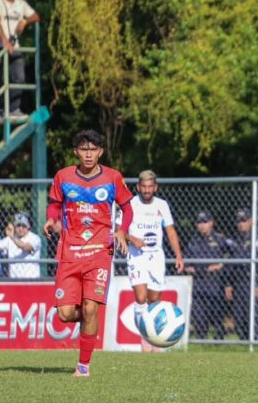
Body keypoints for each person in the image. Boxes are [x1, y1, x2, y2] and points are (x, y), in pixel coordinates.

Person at [43, 129, 133, 377]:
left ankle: (83, 366)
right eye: (84, 149)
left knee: (91, 309)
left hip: (99, 253)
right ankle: (89, 319)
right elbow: (54, 205)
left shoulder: (113, 178)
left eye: (93, 149)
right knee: (65, 315)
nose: (89, 154)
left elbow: (128, 208)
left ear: (101, 152)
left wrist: (121, 230)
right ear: (76, 152)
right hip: (69, 253)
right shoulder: (63, 176)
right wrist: (50, 219)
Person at [125, 170, 185, 351]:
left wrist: (178, 255)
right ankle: (145, 339)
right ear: (138, 187)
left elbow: (170, 231)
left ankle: (154, 338)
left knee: (154, 300)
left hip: (156, 258)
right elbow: (118, 231)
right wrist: (132, 239)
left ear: (155, 187)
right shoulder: (130, 204)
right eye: (143, 186)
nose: (147, 190)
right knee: (140, 298)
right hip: (137, 257)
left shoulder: (162, 205)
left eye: (150, 186)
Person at [185, 210, 234, 340]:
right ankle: (201, 341)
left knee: (217, 316)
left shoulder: (220, 240)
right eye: (199, 223)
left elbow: (230, 258)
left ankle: (219, 340)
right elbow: (186, 262)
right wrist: (189, 268)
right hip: (198, 283)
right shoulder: (193, 241)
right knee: (199, 317)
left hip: (216, 282)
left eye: (205, 222)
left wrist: (220, 266)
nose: (202, 225)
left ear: (211, 223)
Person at [0, 0, 40, 118]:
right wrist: (5, 42)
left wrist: (25, 21)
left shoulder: (21, 3)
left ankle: (13, 109)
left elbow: (36, 16)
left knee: (19, 78)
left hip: (15, 47)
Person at [227, 207, 258, 341]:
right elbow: (231, 264)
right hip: (238, 283)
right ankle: (244, 341)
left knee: (255, 314)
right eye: (239, 221)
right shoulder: (236, 239)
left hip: (252, 281)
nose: (241, 224)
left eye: (244, 220)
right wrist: (228, 284)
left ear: (251, 221)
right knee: (239, 316)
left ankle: (257, 341)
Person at [0, 212, 42, 278]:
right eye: (18, 225)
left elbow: (26, 247)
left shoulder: (35, 238)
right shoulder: (9, 239)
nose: (20, 228)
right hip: (14, 281)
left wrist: (12, 237)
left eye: (23, 226)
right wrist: (12, 237)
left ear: (28, 226)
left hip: (31, 281)